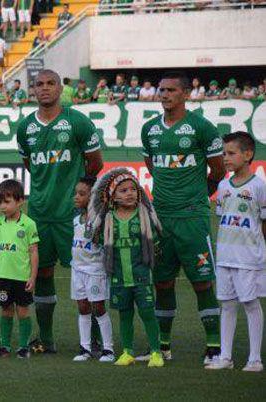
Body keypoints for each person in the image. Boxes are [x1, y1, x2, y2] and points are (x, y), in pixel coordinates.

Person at [139, 71, 226, 364]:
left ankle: (214, 346)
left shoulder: (202, 127)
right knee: (162, 283)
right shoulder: (150, 129)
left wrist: (198, 194)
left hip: (192, 219)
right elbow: (151, 164)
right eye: (161, 90)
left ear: (185, 94)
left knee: (202, 282)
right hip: (161, 217)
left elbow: (218, 171)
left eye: (171, 90)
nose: (164, 95)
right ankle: (163, 345)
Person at [15, 70, 103, 354]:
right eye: (38, 84)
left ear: (59, 88)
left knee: (87, 272)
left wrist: (76, 195)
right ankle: (47, 338)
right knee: (42, 275)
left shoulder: (77, 122)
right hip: (40, 213)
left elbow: (95, 164)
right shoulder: (25, 127)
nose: (44, 89)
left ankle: (96, 340)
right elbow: (31, 164)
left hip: (72, 216)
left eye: (50, 83)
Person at [88, 168, 164, 368]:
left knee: (147, 313)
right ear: (112, 195)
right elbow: (95, 239)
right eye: (123, 190)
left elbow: (155, 242)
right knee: (124, 314)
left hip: (141, 276)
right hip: (118, 277)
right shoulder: (108, 218)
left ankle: (156, 352)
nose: (129, 193)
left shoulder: (144, 215)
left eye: (133, 189)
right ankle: (128, 352)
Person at [206, 132, 265, 373]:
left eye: (231, 153)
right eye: (223, 154)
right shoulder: (222, 186)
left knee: (250, 304)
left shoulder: (259, 186)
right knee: (227, 305)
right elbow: (223, 219)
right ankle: (226, 357)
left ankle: (254, 359)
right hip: (225, 256)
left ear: (248, 154)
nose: (226, 159)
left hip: (249, 257)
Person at [0, 180, 39, 359]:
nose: (3, 206)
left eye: (7, 202)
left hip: (21, 277)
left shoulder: (28, 224)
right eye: (0, 202)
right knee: (6, 309)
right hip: (3, 276)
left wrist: (32, 277)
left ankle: (24, 347)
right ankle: (4, 346)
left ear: (20, 201)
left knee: (23, 311)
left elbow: (33, 252)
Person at [70, 176, 114, 363]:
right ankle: (85, 348)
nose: (76, 197)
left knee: (99, 308)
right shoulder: (76, 219)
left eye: (82, 194)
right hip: (77, 270)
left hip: (95, 270)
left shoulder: (101, 218)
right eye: (76, 193)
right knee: (82, 307)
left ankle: (108, 349)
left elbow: (106, 243)